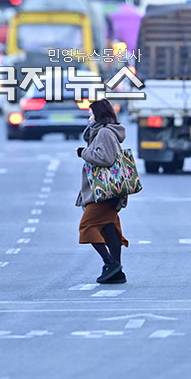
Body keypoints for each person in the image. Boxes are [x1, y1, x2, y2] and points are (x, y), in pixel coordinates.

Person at [76, 98, 129, 284]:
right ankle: (117, 271)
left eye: (90, 114)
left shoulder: (104, 132)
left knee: (87, 226)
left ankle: (110, 263)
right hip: (108, 191)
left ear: (98, 115)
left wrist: (83, 152)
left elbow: (105, 158)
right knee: (109, 229)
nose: (89, 118)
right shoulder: (104, 131)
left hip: (104, 192)